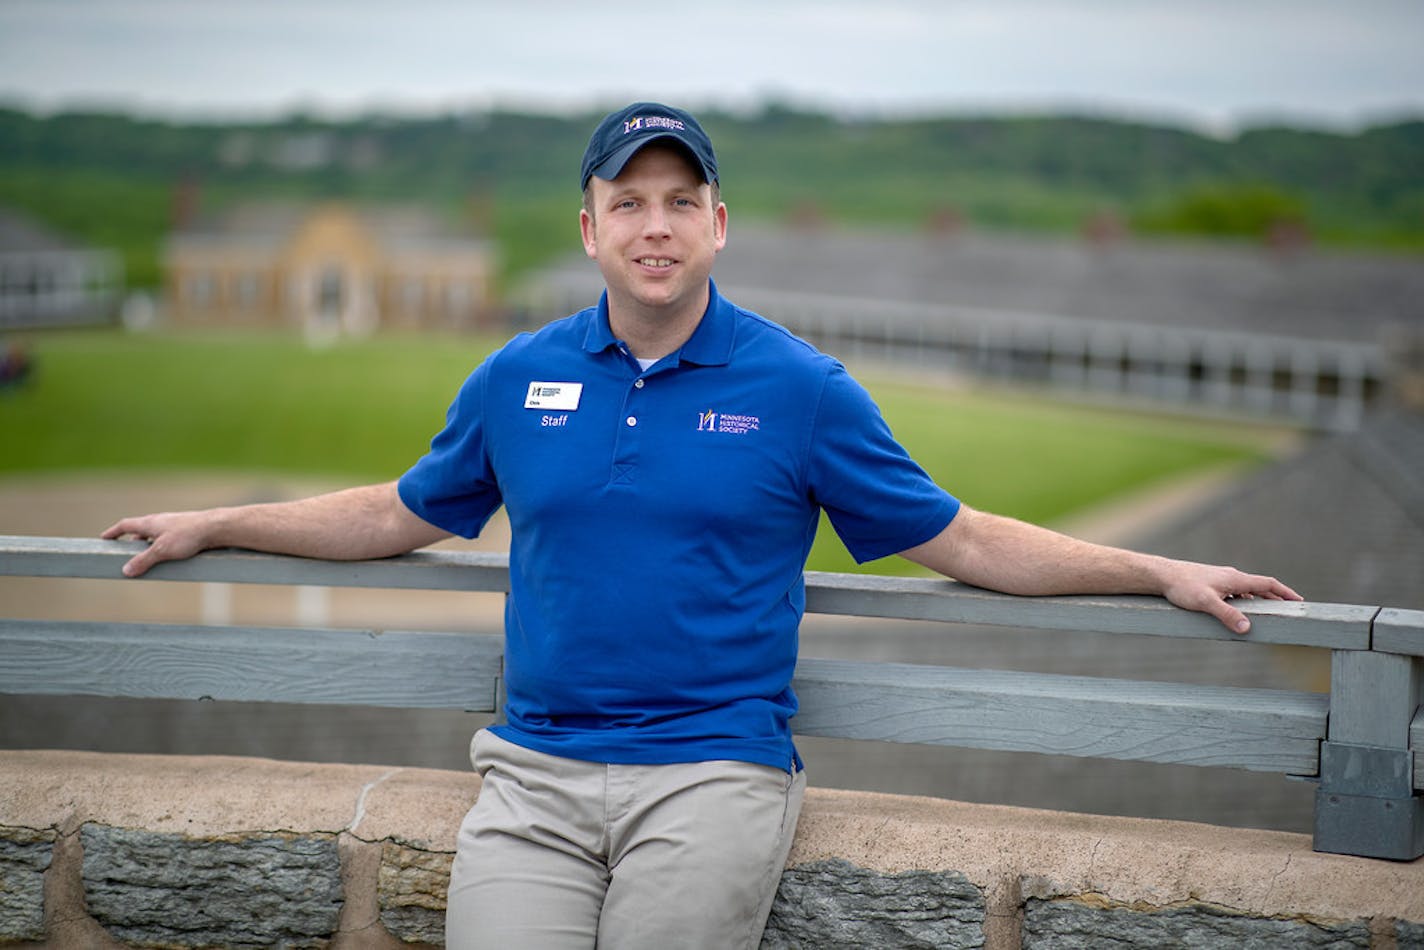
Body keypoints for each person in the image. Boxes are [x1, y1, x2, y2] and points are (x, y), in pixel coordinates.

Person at [102, 102, 1301, 949]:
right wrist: (219, 521)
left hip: (712, 774)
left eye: (681, 201)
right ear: (589, 228)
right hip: (531, 775)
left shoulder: (800, 388)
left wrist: (1154, 566)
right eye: (628, 201)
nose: (654, 225)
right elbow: (396, 510)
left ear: (719, 224)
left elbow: (966, 537)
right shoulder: (518, 375)